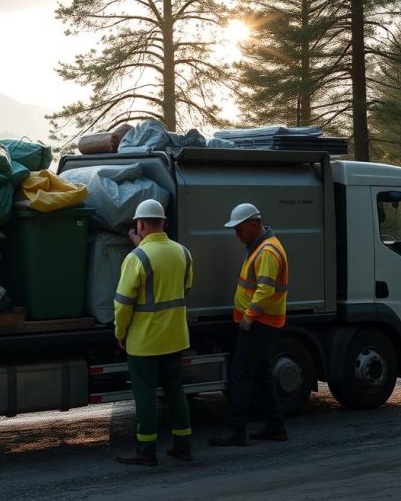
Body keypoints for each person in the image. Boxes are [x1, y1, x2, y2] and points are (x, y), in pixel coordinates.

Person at [114, 199, 194, 466]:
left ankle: (146, 449)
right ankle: (183, 445)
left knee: (146, 394)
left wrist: (120, 332)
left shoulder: (136, 258)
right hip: (176, 337)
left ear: (140, 224)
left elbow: (123, 303)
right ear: (164, 224)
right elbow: (186, 288)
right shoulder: (183, 252)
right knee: (175, 390)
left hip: (145, 341)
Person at [209, 202, 289, 447]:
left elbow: (265, 290)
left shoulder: (266, 251)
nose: (237, 234)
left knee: (241, 375)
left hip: (259, 324)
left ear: (254, 225)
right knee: (261, 374)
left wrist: (248, 318)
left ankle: (236, 431)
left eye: (240, 229)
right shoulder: (261, 247)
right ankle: (275, 426)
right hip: (263, 323)